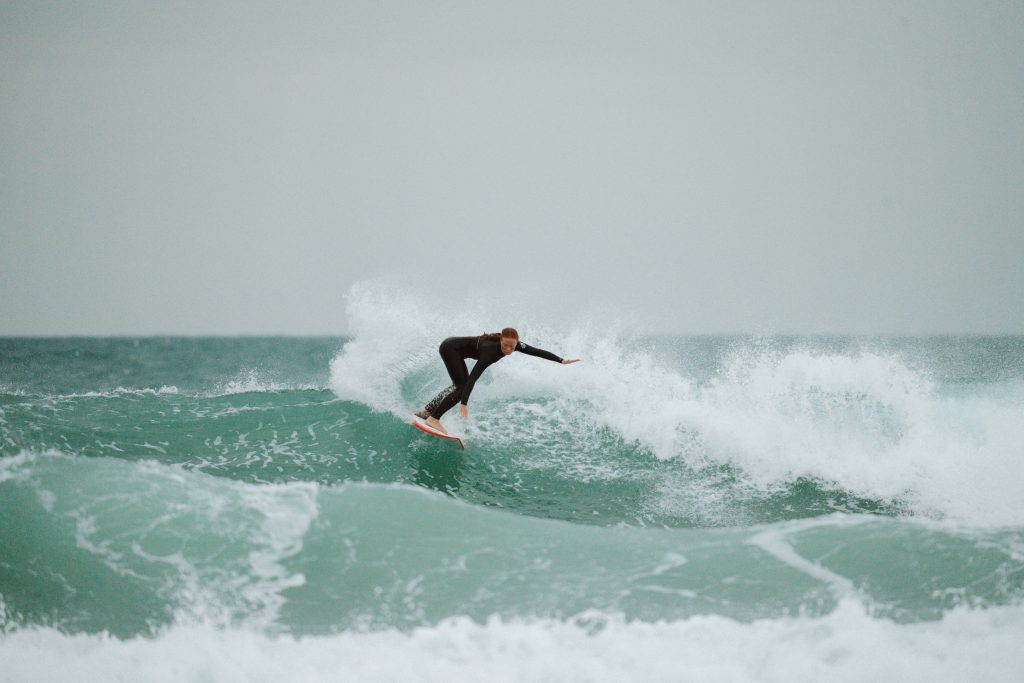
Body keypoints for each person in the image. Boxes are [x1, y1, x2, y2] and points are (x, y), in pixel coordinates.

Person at [414, 327, 580, 434]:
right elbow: (474, 377)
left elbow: (536, 351)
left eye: (512, 347)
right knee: (463, 386)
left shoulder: (515, 345)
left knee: (458, 385)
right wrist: (464, 403)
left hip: (453, 347)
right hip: (450, 349)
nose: (508, 350)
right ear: (501, 340)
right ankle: (434, 418)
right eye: (505, 345)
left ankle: (427, 411)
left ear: (517, 344)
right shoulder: (490, 351)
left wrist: (561, 360)